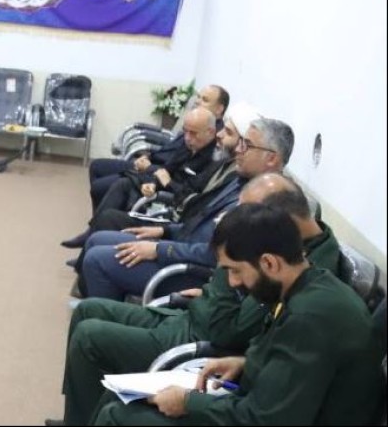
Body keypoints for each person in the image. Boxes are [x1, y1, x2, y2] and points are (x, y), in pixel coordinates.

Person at [53, 173, 343, 426]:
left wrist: (190, 402)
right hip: (208, 334)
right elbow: (265, 343)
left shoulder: (300, 287)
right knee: (90, 318)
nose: (239, 222)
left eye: (246, 215)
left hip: (204, 342)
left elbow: (227, 330)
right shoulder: (295, 269)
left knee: (106, 382)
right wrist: (245, 362)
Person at [91, 203, 384, 425]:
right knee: (117, 396)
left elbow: (266, 419)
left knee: (118, 416)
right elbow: (298, 372)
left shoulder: (310, 317)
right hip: (274, 406)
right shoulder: (311, 284)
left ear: (269, 263)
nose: (232, 283)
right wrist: (246, 363)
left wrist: (188, 403)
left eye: (235, 271)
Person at [76, 113, 295, 301]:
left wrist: (159, 249)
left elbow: (218, 255)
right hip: (182, 246)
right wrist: (164, 231)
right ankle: (105, 308)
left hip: (194, 272)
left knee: (97, 260)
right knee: (97, 239)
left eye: (247, 145)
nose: (238, 149)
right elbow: (202, 219)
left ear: (271, 158)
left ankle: (105, 319)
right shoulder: (240, 180)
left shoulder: (268, 199)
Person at [62, 107, 218, 249]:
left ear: (210, 132)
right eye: (185, 131)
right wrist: (154, 184)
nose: (188, 138)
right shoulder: (188, 145)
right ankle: (92, 232)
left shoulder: (213, 161)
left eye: (193, 133)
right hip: (159, 185)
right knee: (122, 184)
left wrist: (167, 183)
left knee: (107, 212)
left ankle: (93, 234)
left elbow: (190, 198)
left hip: (173, 205)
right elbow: (166, 169)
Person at [76, 84, 228, 221]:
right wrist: (146, 156)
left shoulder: (209, 139)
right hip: (156, 168)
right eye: (199, 97)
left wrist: (151, 169)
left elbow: (183, 181)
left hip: (157, 173)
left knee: (104, 186)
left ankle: (99, 223)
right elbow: (171, 156)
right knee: (97, 167)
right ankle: (99, 221)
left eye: (205, 100)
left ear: (219, 109)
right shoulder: (193, 126)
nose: (198, 101)